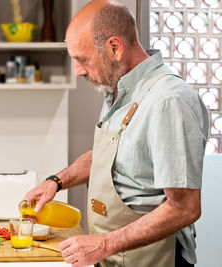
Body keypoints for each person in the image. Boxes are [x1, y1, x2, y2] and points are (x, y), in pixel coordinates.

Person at [23, 0, 209, 266]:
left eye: (82, 59)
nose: (78, 71)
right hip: (116, 257)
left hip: (155, 259)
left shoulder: (169, 101)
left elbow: (185, 208)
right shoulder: (117, 90)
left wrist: (104, 244)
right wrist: (56, 181)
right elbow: (108, 157)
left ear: (114, 47)